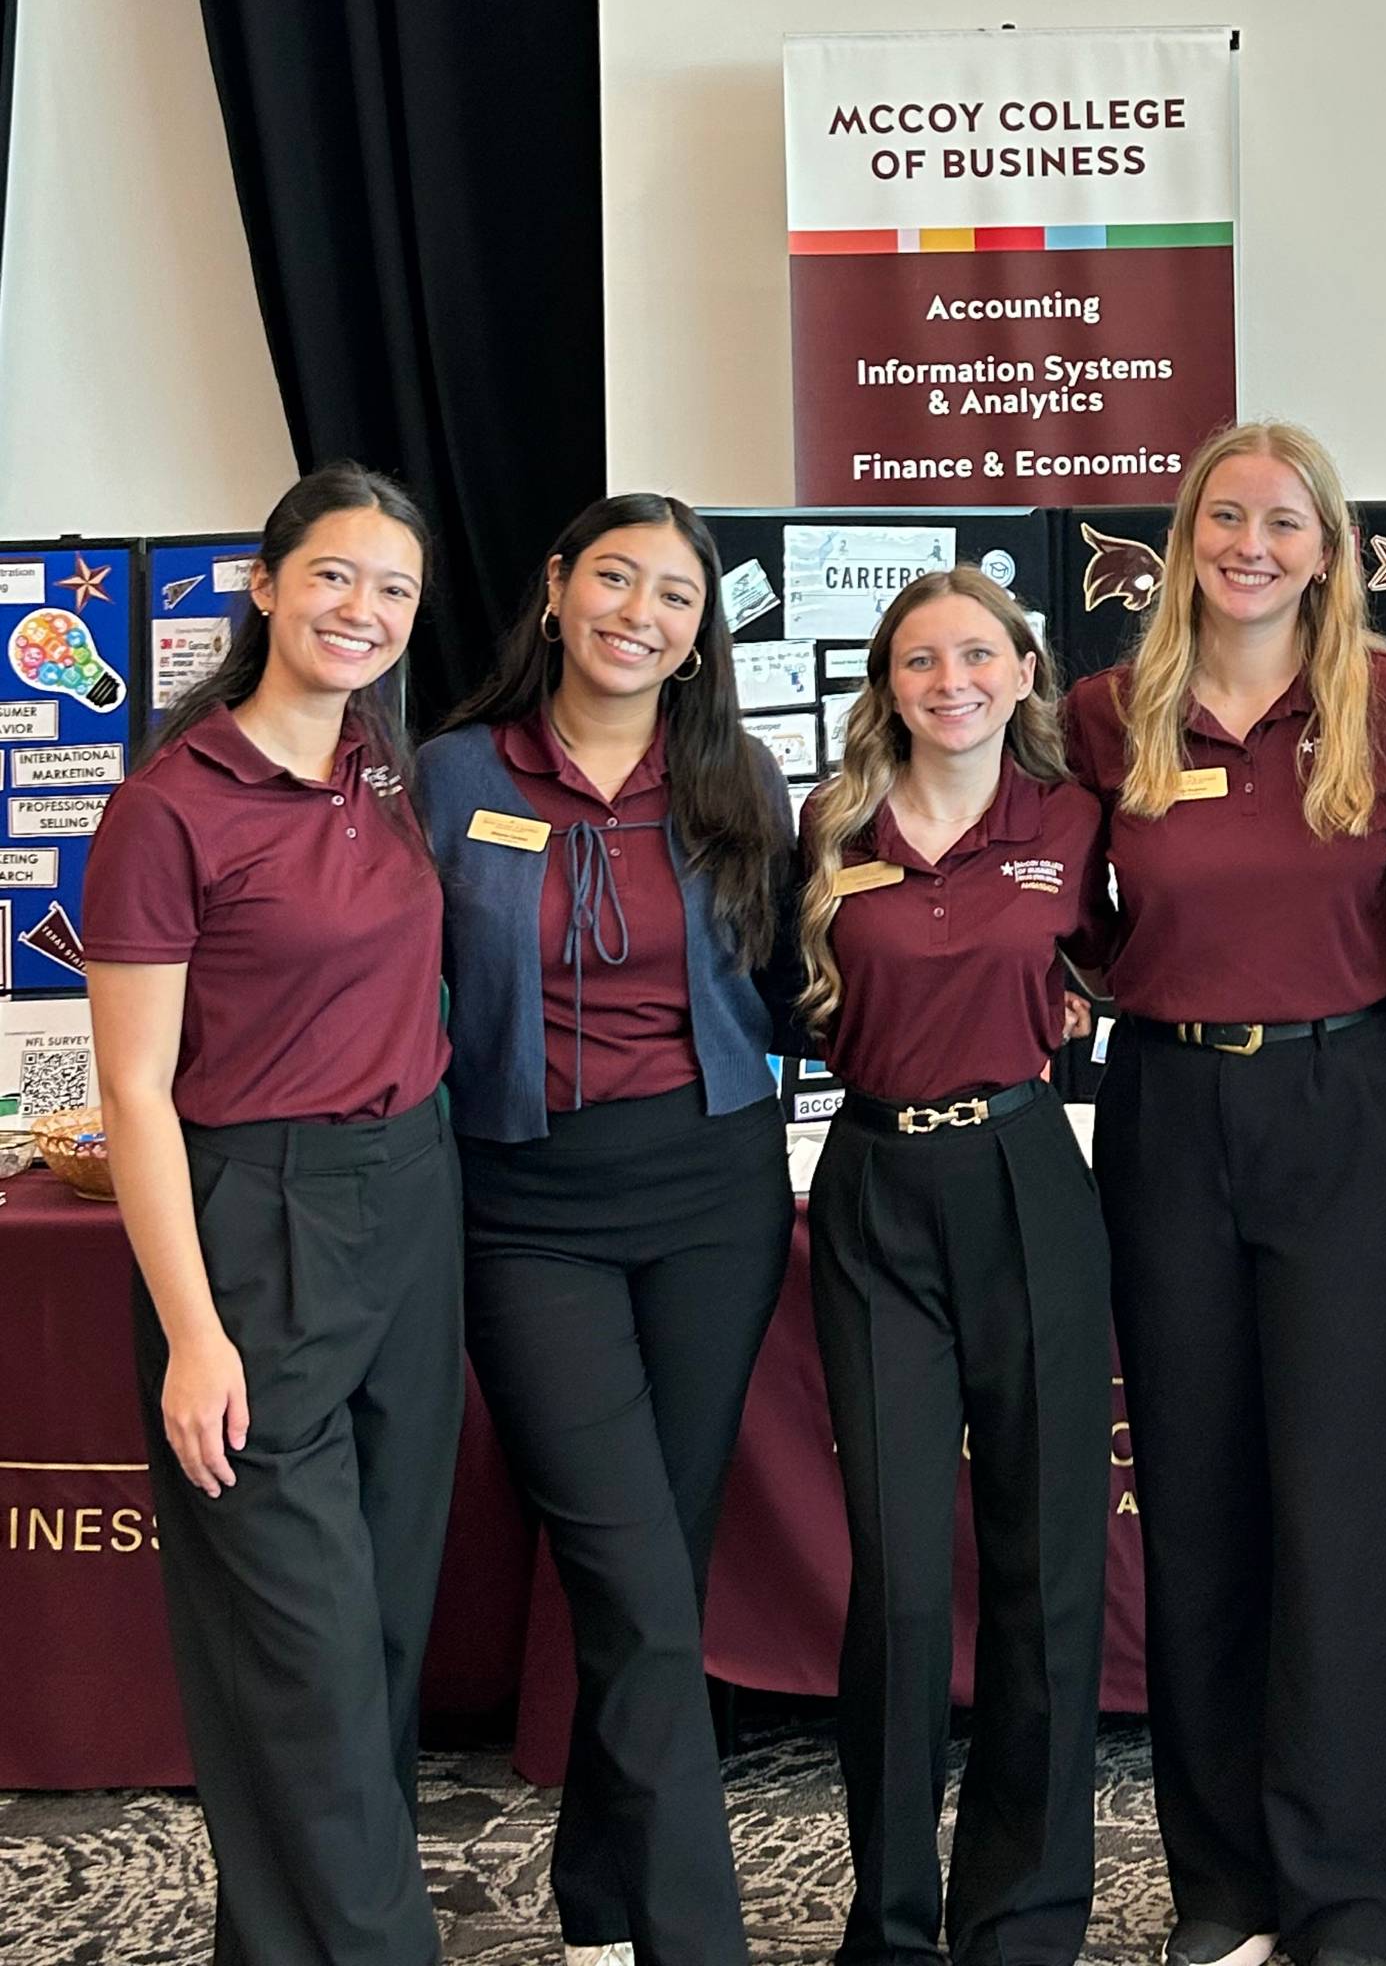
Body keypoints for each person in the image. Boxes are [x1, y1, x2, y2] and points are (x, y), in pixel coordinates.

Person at [1065, 420, 1386, 1966]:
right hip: (1165, 1107)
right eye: (1224, 517)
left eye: (1283, 522)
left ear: (1327, 546)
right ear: (1183, 538)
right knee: (1200, 1504)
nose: (1250, 544)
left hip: (1345, 1103)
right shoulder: (1108, 713)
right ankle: (1224, 1889)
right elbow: (1056, 906)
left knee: (1348, 1512)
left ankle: (1360, 1898)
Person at [84, 463, 457, 1966]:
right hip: (259, 1222)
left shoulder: (384, 762)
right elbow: (131, 1093)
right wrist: (191, 1330)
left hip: (415, 1201)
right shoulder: (168, 809)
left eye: (393, 590)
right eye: (333, 576)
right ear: (263, 585)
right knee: (299, 1657)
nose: (361, 610)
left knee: (371, 1640)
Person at [424, 495, 799, 1966]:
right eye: (617, 578)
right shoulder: (452, 778)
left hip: (713, 1196)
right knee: (632, 1574)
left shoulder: (738, 779)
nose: (644, 612)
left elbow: (783, 986)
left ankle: (598, 1907)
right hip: (527, 1213)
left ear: (702, 637)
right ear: (556, 593)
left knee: (656, 1569)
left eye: (680, 596)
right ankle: (696, 1939)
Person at [798, 569, 1113, 1966]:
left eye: (977, 654)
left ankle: (1024, 1912)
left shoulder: (1072, 821)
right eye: (920, 660)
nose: (952, 681)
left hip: (1024, 1174)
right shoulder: (829, 825)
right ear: (889, 682)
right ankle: (892, 1917)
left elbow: (1140, 959)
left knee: (1045, 1564)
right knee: (902, 1574)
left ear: (1025, 668)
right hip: (872, 1189)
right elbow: (773, 991)